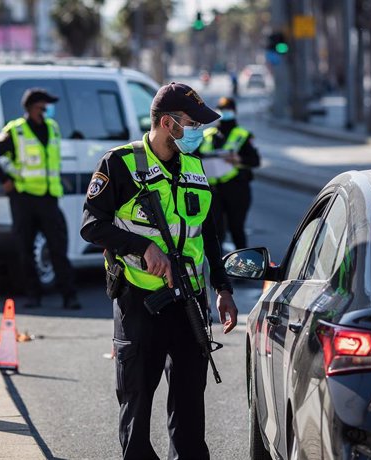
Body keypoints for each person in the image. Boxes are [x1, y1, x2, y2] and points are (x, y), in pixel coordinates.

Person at [80, 82, 238, 459]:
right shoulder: (119, 164)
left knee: (189, 405)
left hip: (190, 301)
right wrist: (143, 247)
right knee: (137, 401)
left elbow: (209, 233)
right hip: (140, 300)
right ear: (168, 124)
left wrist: (223, 287)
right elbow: (91, 225)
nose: (199, 132)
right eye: (193, 124)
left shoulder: (196, 167)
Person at [0, 88, 81, 310]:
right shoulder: (16, 132)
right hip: (23, 198)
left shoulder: (52, 128)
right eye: (41, 107)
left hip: (48, 198)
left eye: (47, 108)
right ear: (30, 108)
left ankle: (69, 295)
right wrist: (5, 181)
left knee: (58, 247)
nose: (45, 112)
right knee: (25, 249)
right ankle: (33, 295)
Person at [197, 97, 260, 250]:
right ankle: (217, 267)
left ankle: (244, 266)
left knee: (236, 229)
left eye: (228, 110)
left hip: (236, 189)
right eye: (221, 110)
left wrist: (238, 159)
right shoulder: (207, 134)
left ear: (234, 112)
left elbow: (255, 161)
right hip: (213, 190)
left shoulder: (243, 135)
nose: (224, 113)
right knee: (215, 231)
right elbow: (194, 156)